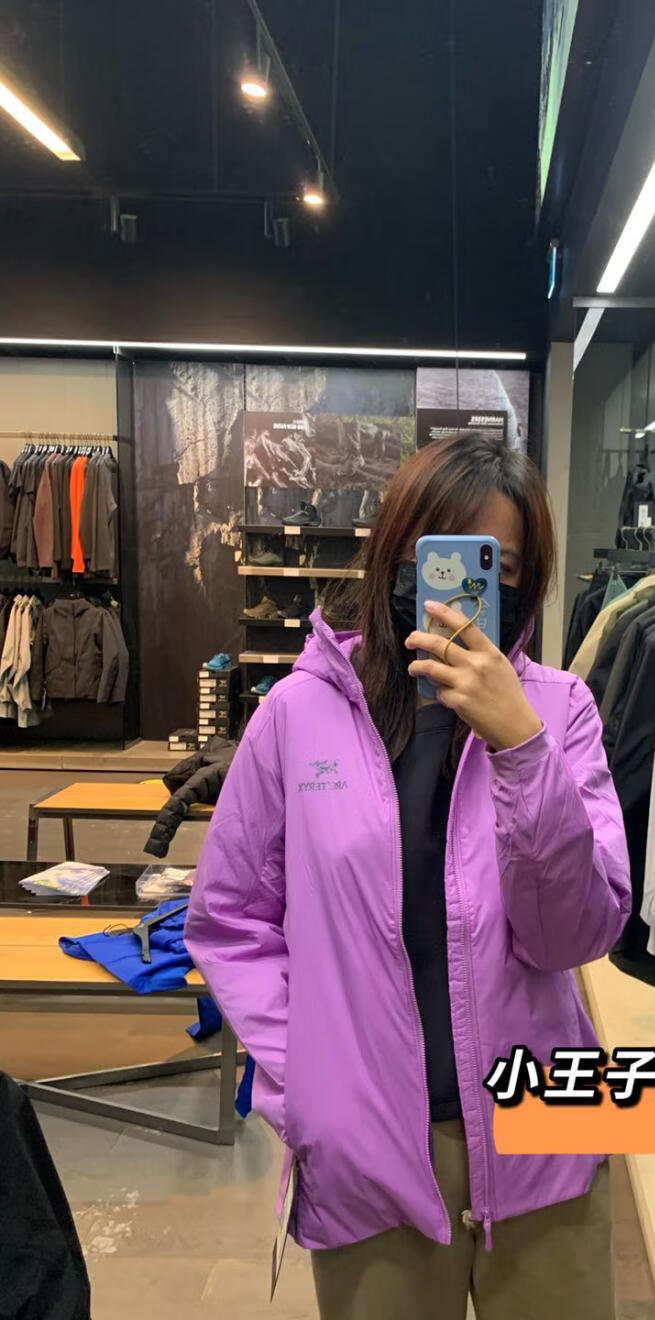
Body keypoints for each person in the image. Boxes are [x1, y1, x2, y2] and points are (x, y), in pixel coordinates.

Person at [185, 431, 631, 1320]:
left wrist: (522, 748)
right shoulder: (297, 715)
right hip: (369, 1157)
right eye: (441, 555)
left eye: (499, 567)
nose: (463, 587)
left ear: (527, 582)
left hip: (542, 1137)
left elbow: (573, 936)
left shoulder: (559, 711)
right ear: (395, 556)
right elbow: (231, 918)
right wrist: (308, 1080)